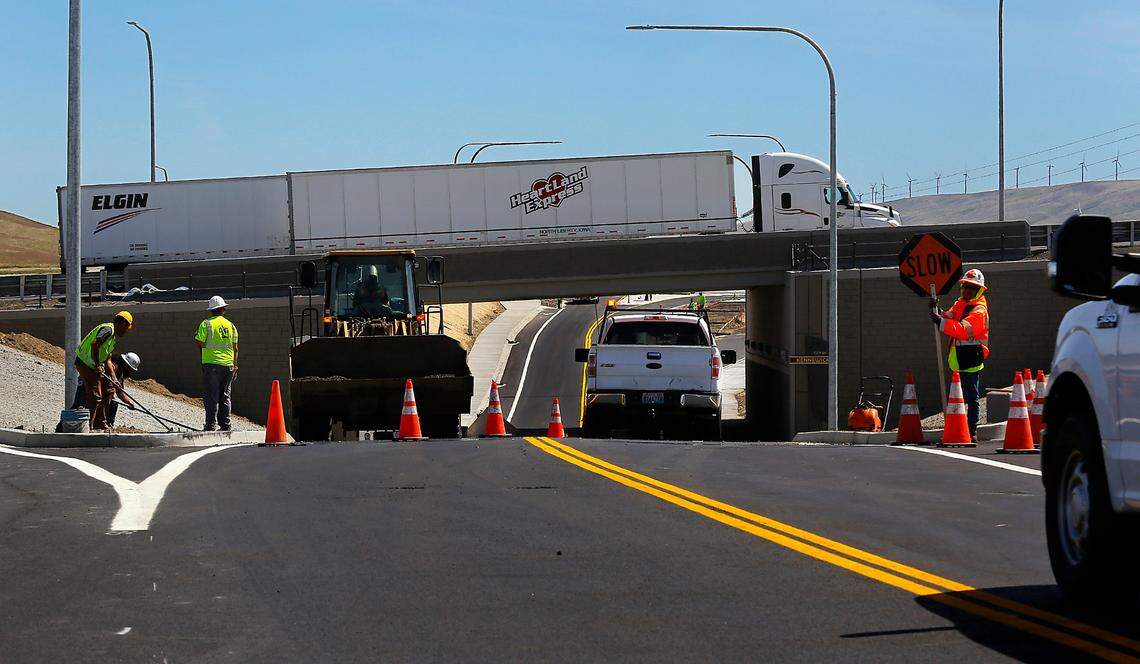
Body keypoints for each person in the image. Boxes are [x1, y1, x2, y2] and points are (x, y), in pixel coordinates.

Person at [932, 268, 990, 444]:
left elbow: (963, 331)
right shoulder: (961, 303)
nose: (967, 290)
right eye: (965, 286)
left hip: (971, 359)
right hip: (959, 358)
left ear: (979, 290)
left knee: (971, 398)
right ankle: (960, 429)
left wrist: (941, 322)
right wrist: (939, 311)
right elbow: (950, 315)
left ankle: (971, 431)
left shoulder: (979, 311)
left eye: (972, 287)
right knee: (960, 396)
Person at [74, 311, 133, 430]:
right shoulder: (108, 330)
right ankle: (88, 427)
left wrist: (114, 378)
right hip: (86, 364)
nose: (126, 331)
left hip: (91, 366)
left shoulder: (112, 338)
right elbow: (95, 344)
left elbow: (107, 360)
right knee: (95, 396)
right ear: (122, 323)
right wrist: (96, 364)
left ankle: (100, 423)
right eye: (126, 327)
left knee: (106, 393)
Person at [195, 296, 238, 431]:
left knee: (211, 396)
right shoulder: (231, 326)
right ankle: (226, 425)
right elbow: (235, 348)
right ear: (223, 309)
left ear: (211, 310)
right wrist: (235, 366)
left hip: (212, 365)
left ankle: (211, 425)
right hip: (228, 365)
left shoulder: (206, 324)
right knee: (225, 396)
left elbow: (200, 342)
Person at [70, 352, 140, 428]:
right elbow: (108, 388)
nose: (129, 371)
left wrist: (129, 402)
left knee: (113, 403)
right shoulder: (111, 367)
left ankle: (106, 425)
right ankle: (64, 428)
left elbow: (120, 391)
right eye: (129, 369)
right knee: (78, 406)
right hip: (86, 385)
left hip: (96, 390)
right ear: (125, 365)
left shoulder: (120, 373)